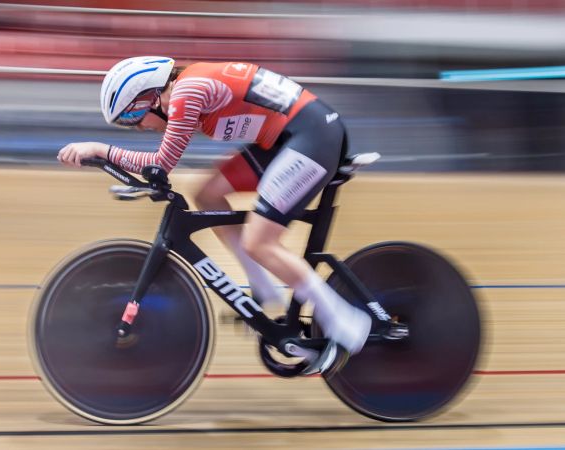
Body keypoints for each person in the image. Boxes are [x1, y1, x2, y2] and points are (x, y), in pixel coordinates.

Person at [57, 56, 371, 356]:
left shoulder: (187, 91)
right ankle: (263, 286)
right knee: (208, 194)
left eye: (130, 119)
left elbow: (162, 162)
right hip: (286, 139)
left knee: (260, 241)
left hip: (311, 138)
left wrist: (99, 149)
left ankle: (343, 319)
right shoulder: (186, 86)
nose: (136, 128)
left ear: (150, 98)